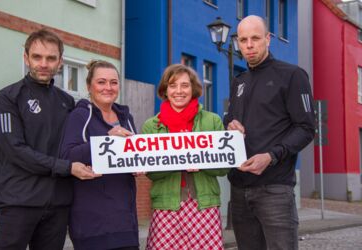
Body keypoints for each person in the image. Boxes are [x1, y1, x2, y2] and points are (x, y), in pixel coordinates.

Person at [0, 29, 96, 250]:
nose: (43, 64)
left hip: (57, 205)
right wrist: (67, 167)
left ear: (60, 62)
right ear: (26, 58)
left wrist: (116, 141)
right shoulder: (8, 98)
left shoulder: (67, 102)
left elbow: (82, 142)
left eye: (51, 58)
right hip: (17, 202)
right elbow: (14, 150)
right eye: (37, 57)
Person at [224, 15, 315, 250]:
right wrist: (230, 125)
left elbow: (306, 128)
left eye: (255, 38)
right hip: (239, 188)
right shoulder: (239, 81)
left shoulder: (293, 75)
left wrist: (271, 156)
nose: (249, 45)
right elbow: (230, 120)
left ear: (268, 38)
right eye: (243, 40)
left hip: (274, 189)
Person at [142, 64, 228, 250]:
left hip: (203, 205)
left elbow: (224, 167)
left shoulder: (212, 121)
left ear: (194, 89)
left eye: (185, 85)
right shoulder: (152, 126)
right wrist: (176, 161)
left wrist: (203, 163)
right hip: (167, 206)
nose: (178, 91)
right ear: (165, 90)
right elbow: (150, 173)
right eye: (173, 85)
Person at [60, 60, 139, 250]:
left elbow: (130, 157)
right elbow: (67, 157)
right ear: (89, 86)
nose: (108, 88)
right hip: (92, 225)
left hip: (125, 222)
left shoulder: (126, 118)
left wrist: (138, 164)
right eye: (101, 82)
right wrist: (107, 139)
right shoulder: (79, 116)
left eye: (113, 82)